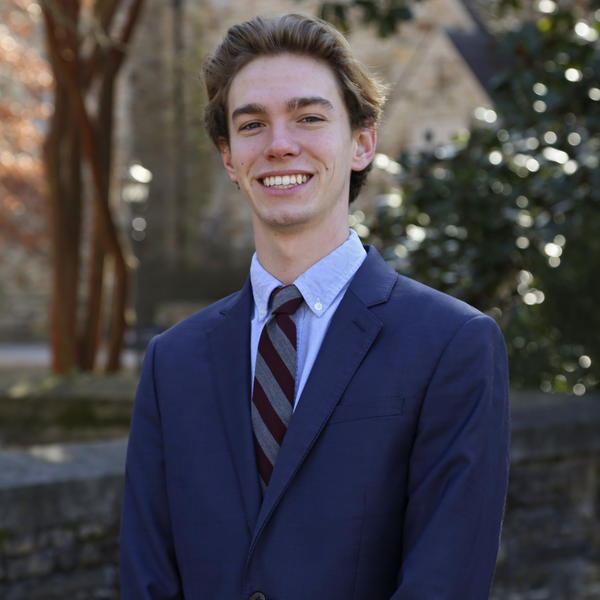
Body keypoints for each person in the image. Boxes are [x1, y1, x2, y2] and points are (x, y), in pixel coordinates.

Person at [120, 13, 510, 600]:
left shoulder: (452, 345)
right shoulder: (172, 361)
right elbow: (147, 577)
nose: (280, 144)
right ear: (229, 157)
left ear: (361, 142)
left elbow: (445, 582)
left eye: (308, 117)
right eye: (252, 125)